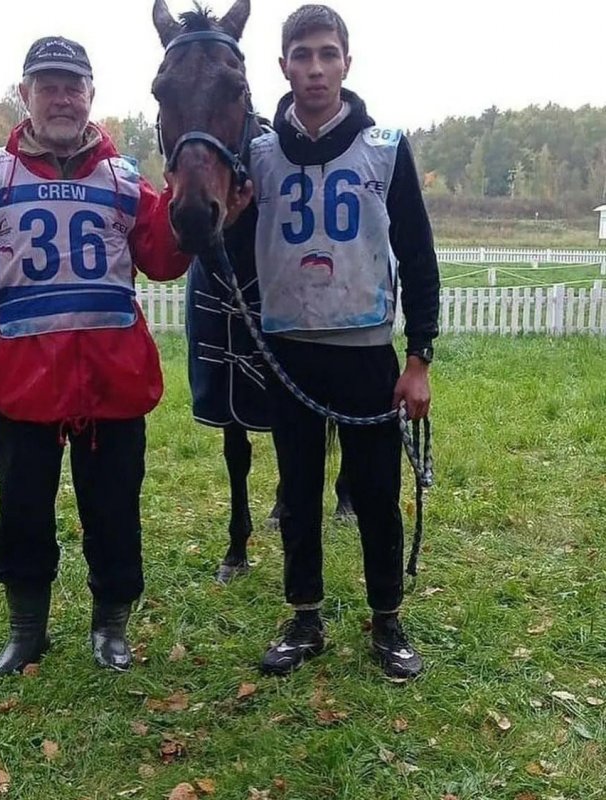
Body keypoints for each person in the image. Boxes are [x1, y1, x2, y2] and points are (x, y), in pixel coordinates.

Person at [0, 36, 206, 676]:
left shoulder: (123, 178)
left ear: (91, 96)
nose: (62, 97)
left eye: (73, 86)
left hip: (111, 383)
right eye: (48, 85)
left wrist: (188, 211)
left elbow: (163, 260)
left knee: (114, 513)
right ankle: (27, 630)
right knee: (23, 509)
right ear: (25, 94)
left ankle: (110, 628)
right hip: (22, 382)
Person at [248, 6, 440, 678]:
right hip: (290, 348)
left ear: (347, 64)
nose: (316, 69)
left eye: (328, 54)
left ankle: (387, 619)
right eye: (302, 56)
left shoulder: (385, 145)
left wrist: (419, 359)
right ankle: (305, 617)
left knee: (378, 492)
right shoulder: (260, 151)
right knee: (297, 490)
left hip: (364, 352)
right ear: (284, 67)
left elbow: (417, 255)